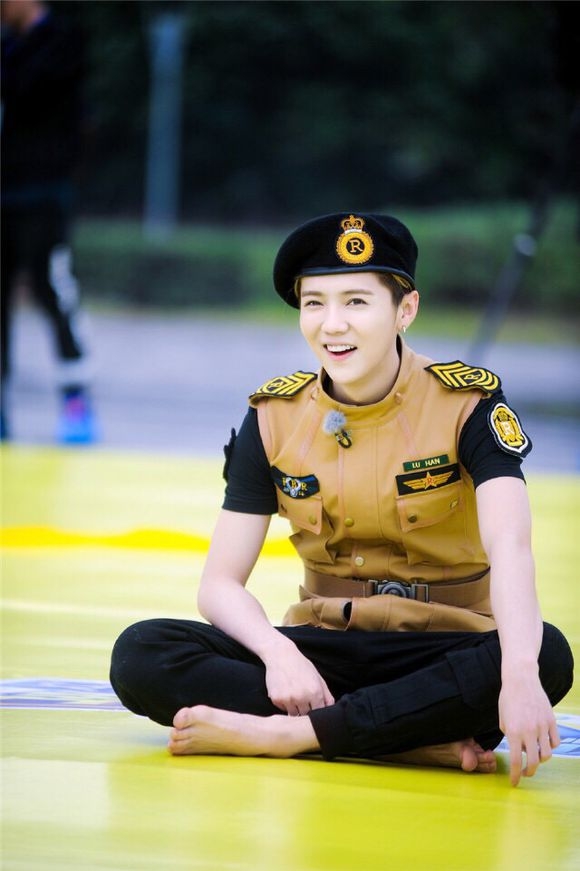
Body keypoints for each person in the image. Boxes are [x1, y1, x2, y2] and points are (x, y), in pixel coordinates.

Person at [110, 212, 573, 786]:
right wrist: (281, 656)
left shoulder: (468, 404)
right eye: (315, 304)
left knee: (545, 655)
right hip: (323, 651)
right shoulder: (274, 417)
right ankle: (403, 742)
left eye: (356, 302)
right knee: (142, 652)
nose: (332, 325)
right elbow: (219, 584)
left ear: (405, 310)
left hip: (441, 650)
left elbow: (511, 547)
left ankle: (287, 736)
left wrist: (520, 676)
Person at [1, 0, 97, 443]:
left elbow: (30, 90)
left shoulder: (63, 41)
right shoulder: (9, 46)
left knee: (52, 288)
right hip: (5, 193)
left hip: (45, 193)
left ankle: (75, 402)